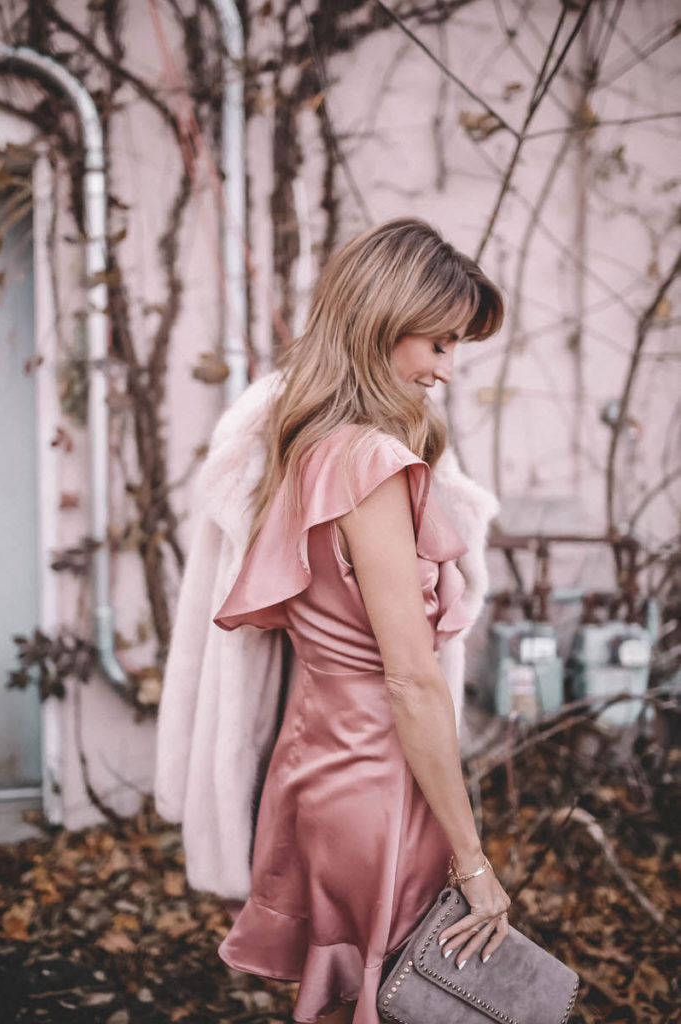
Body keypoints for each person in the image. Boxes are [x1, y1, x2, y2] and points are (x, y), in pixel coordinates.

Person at [211, 217, 511, 1024]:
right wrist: (472, 860)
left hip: (316, 758)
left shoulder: (311, 445)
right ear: (382, 320)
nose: (446, 370)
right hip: (379, 774)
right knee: (407, 995)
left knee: (362, 993)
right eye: (438, 343)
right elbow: (411, 678)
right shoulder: (370, 462)